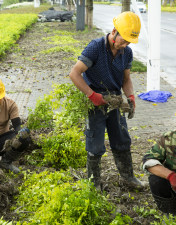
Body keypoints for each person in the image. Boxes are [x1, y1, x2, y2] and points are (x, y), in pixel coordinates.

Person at [69, 11, 145, 190]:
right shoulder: (95, 47)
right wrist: (92, 96)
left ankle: (128, 177)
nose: (125, 44)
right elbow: (74, 73)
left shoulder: (126, 53)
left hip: (115, 100)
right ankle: (94, 184)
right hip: (95, 100)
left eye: (128, 42)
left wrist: (131, 96)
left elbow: (126, 79)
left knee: (121, 139)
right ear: (114, 32)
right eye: (123, 40)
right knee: (95, 144)